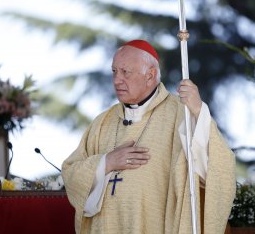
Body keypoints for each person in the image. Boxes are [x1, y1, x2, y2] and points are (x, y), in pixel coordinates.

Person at [61, 39, 236, 234]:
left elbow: (217, 169)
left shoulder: (181, 115)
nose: (117, 79)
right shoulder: (102, 122)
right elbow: (71, 173)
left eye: (125, 72)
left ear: (150, 74)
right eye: (114, 71)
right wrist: (106, 162)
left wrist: (198, 112)